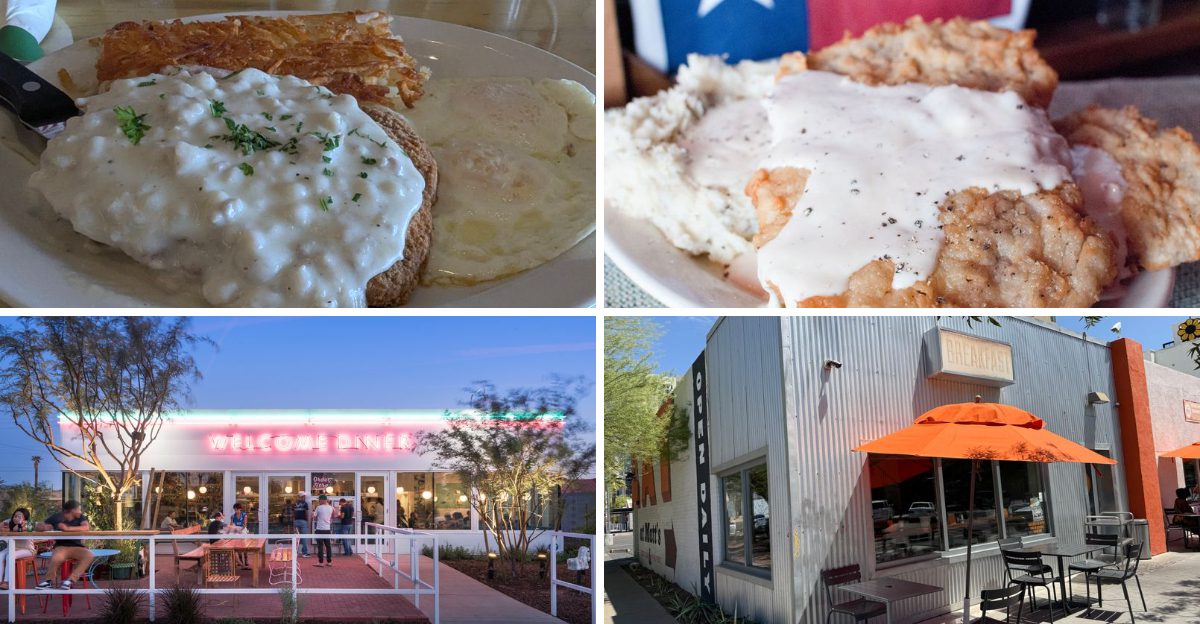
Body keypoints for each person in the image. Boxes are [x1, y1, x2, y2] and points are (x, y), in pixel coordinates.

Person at [35, 500, 94, 591]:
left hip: (77, 547)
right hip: (61, 547)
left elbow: (86, 527)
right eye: (78, 509)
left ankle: (70, 580)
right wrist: (44, 527)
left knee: (89, 555)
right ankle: (48, 581)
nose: (80, 512)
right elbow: (39, 526)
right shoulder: (57, 517)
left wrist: (67, 528)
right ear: (72, 510)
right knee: (56, 558)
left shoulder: (80, 517)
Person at [0, 508, 35, 590]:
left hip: (27, 549)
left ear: (25, 518)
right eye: (15, 516)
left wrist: (18, 528)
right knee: (0, 555)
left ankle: (7, 582)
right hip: (12, 548)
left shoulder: (28, 523)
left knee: (10, 556)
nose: (16, 518)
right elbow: (2, 524)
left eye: (19, 517)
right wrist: (2, 527)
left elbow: (33, 526)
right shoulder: (10, 522)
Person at [312, 495, 334, 567]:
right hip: (327, 529)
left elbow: (314, 517)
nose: (319, 501)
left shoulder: (318, 507)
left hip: (320, 529)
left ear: (323, 500)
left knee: (320, 546)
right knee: (328, 546)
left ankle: (321, 562)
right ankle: (329, 562)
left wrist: (314, 515)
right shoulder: (331, 507)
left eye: (319, 500)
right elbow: (334, 516)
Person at [293, 492, 311, 558]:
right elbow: (306, 513)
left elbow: (293, 513)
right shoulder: (305, 503)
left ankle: (295, 552)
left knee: (296, 538)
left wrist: (294, 521)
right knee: (304, 538)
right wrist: (308, 522)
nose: (304, 497)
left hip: (296, 521)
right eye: (304, 496)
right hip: (303, 521)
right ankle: (304, 553)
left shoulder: (294, 504)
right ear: (302, 496)